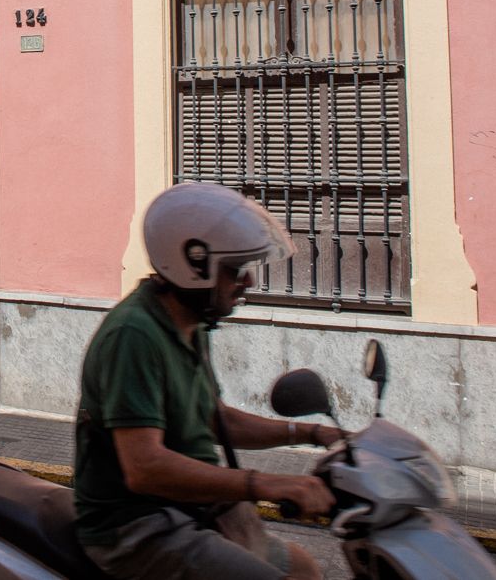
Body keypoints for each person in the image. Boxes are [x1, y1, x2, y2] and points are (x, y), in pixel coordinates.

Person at [73, 182, 345, 580]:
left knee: (302, 568)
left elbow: (216, 419)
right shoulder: (133, 335)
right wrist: (263, 484)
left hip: (193, 509)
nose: (247, 282)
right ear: (193, 264)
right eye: (234, 270)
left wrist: (315, 433)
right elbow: (144, 467)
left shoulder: (189, 325)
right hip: (138, 526)